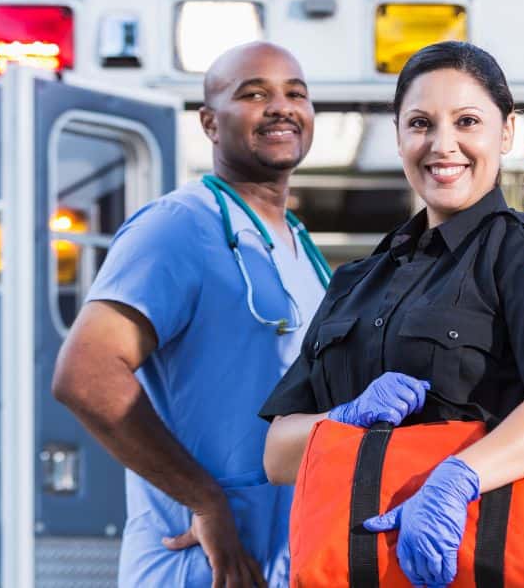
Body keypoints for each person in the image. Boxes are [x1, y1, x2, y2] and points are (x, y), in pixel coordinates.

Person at [258, 41, 524, 588]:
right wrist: (343, 419)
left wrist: (458, 478)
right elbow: (279, 455)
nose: (443, 145)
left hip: (483, 562)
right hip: (359, 570)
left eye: (467, 121)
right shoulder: (357, 281)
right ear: (399, 137)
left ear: (506, 132)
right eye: (420, 123)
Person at [51, 41, 330, 588]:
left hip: (280, 562)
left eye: (295, 94)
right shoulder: (179, 226)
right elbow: (84, 374)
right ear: (209, 122)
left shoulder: (299, 245)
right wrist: (204, 502)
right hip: (196, 564)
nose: (281, 106)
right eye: (253, 93)